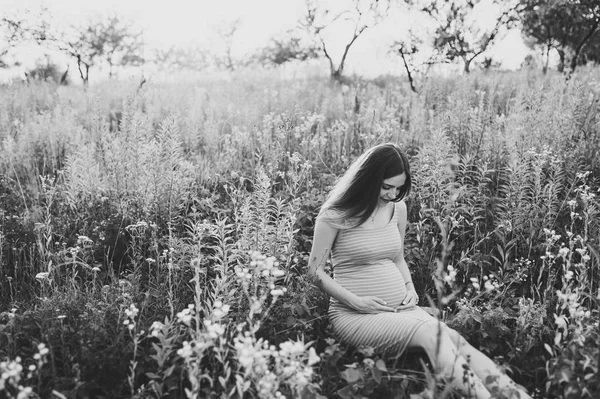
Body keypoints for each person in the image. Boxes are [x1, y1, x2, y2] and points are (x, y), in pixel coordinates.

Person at [307, 143, 532, 399]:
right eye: (386, 186)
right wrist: (357, 302)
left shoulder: (397, 209)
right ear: (368, 179)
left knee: (453, 337)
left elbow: (398, 257)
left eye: (398, 188)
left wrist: (409, 287)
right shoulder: (334, 214)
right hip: (354, 315)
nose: (393, 194)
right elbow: (314, 271)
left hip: (402, 309)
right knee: (430, 333)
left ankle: (517, 396)